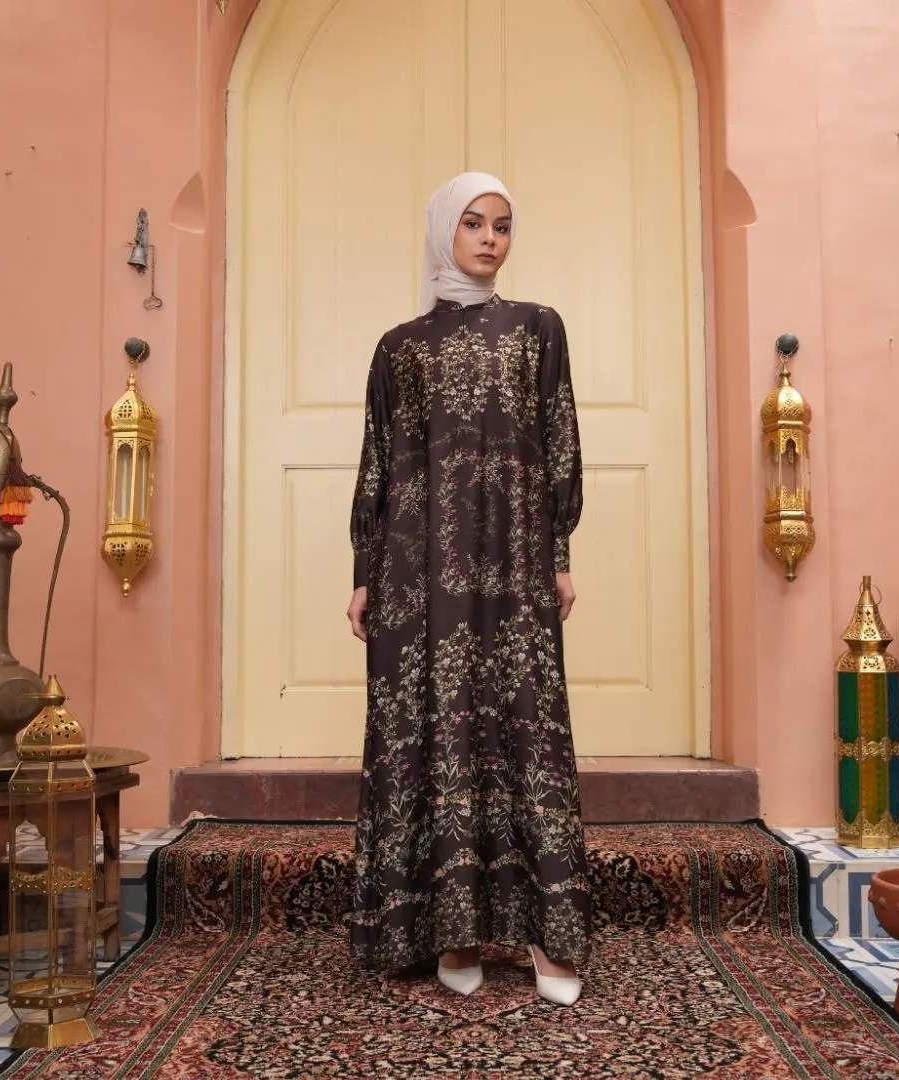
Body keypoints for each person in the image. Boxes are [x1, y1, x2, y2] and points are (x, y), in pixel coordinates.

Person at [346, 172, 590, 1006]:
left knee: (525, 726)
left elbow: (558, 445)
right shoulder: (399, 348)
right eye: (475, 223)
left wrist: (558, 554)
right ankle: (453, 931)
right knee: (437, 726)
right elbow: (379, 467)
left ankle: (548, 938)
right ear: (444, 231)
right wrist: (364, 573)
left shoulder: (537, 329)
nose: (490, 238)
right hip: (418, 572)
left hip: (514, 559)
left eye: (503, 225)